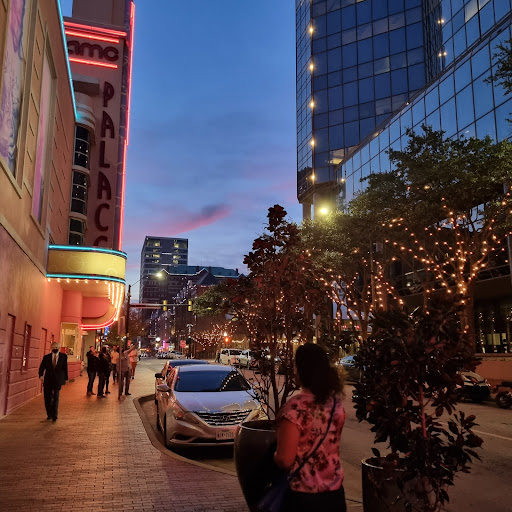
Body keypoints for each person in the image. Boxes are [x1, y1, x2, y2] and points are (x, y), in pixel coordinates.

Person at [274, 343, 346, 512]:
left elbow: (285, 459)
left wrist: (274, 456)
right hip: (334, 495)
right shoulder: (336, 405)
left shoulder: (295, 409)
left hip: (302, 497)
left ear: (301, 370)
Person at [38, 342, 68, 421]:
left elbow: (65, 368)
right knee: (47, 397)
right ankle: (49, 413)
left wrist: (65, 378)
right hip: (48, 379)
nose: (55, 348)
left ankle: (55, 414)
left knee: (56, 396)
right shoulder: (46, 357)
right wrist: (41, 375)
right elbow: (42, 367)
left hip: (57, 380)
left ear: (59, 348)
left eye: (56, 347)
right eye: (53, 347)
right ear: (51, 348)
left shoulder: (63, 357)